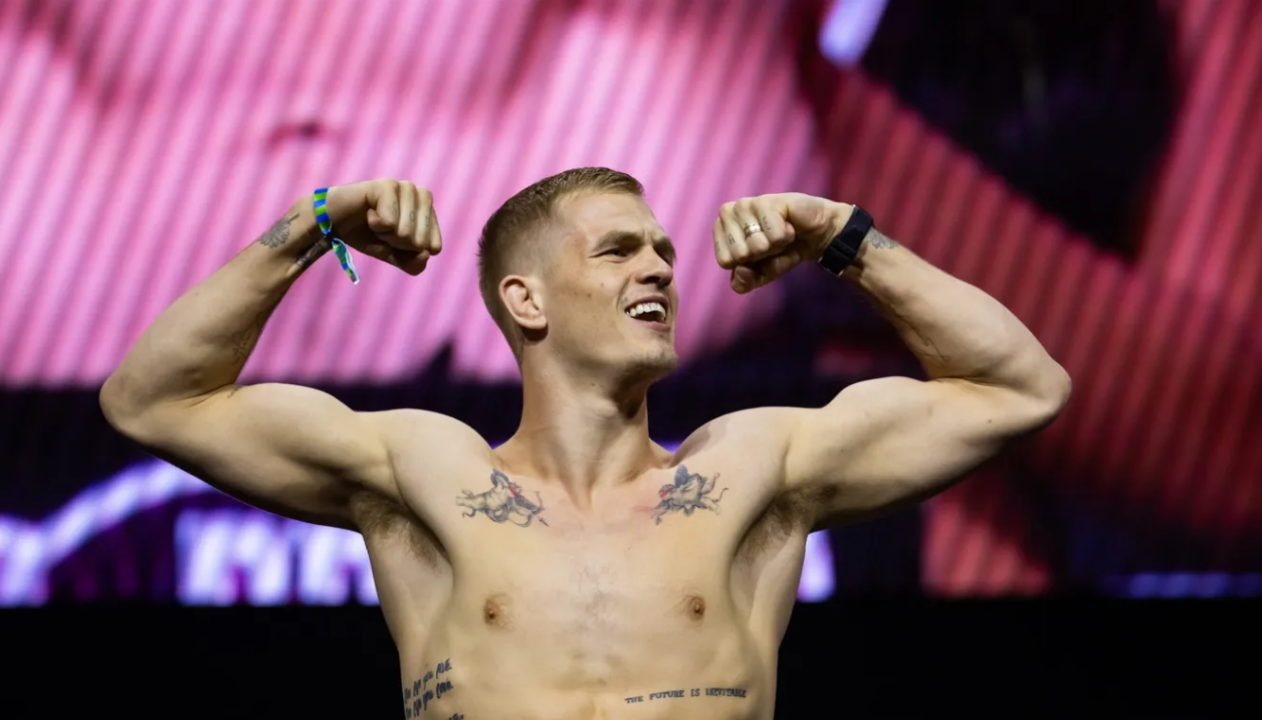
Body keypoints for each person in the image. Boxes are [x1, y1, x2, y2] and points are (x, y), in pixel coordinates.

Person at [99, 168, 1070, 718]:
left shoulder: (748, 469)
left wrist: (841, 238)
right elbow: (155, 401)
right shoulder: (425, 474)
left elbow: (1019, 389)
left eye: (663, 252)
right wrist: (315, 224)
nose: (659, 269)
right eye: (618, 250)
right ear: (524, 300)